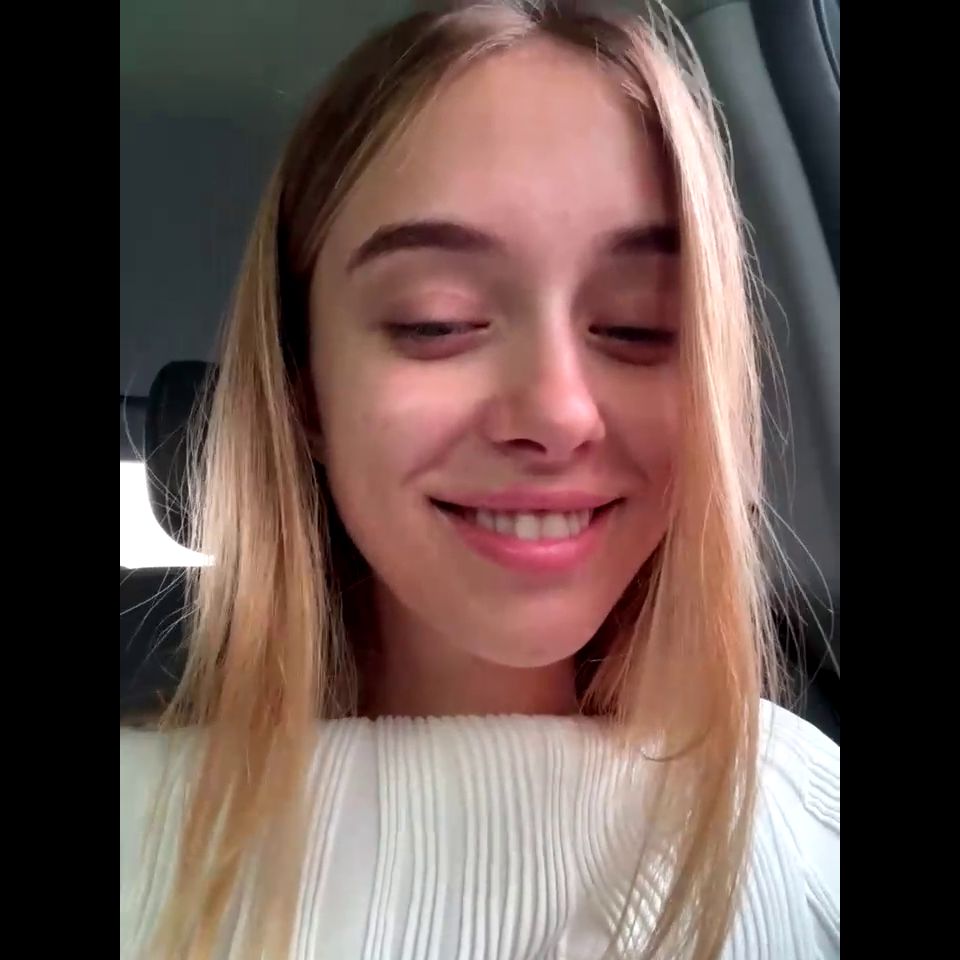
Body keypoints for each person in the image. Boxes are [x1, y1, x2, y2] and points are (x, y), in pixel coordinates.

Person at [119, 2, 840, 958]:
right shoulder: (143, 828)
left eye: (640, 325)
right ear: (307, 397)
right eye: (437, 321)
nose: (558, 413)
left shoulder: (800, 815)